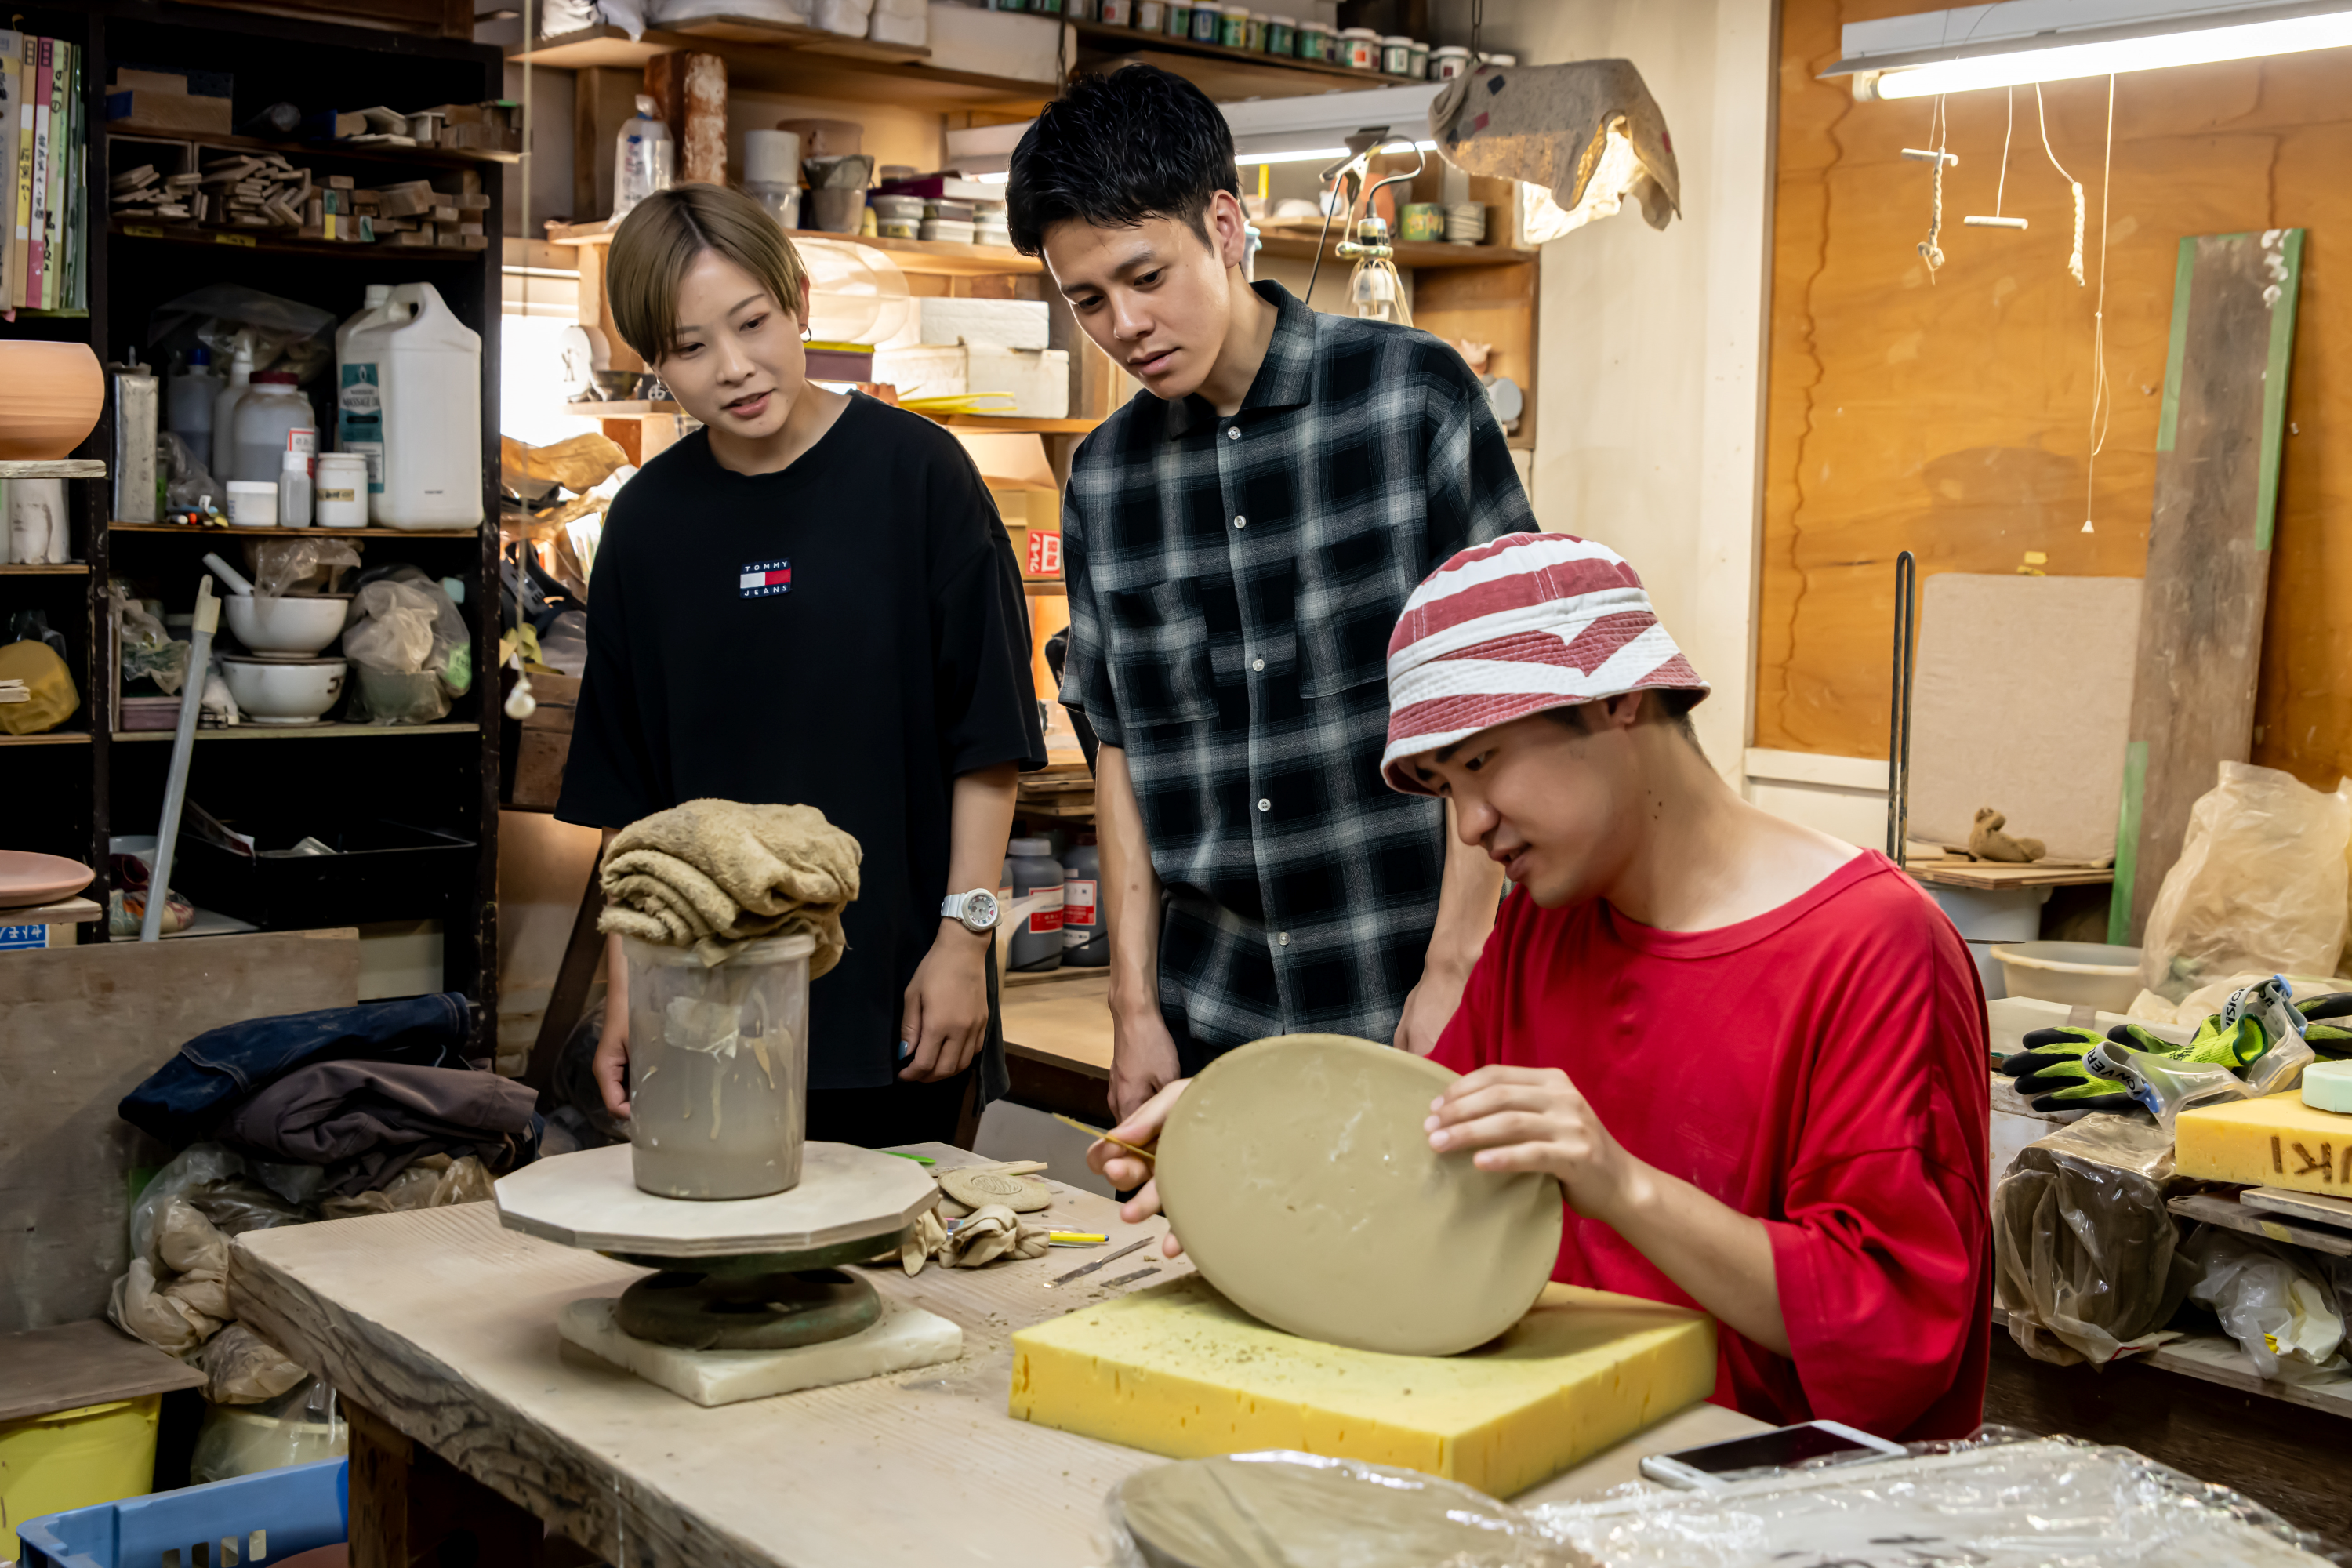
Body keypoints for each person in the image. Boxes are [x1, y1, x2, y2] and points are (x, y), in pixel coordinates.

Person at [1092, 532, 1993, 1440]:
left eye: (1481, 761)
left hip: (1751, 1493)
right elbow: (1431, 1166)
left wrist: (1619, 1183)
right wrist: (1240, 1141)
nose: (1473, 824)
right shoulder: (1544, 916)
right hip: (1534, 1442)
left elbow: (1894, 1336)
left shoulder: (1875, 945)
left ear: (1619, 697)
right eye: (1445, 786)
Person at [1006, 64, 1529, 1119]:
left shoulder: (1410, 401)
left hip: (1405, 991)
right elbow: (1121, 753)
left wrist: (1455, 970)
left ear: (1227, 225)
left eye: (1146, 276)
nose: (1125, 325)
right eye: (1089, 300)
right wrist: (1133, 1005)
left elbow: (1506, 698)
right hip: (1215, 1019)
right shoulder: (1105, 480)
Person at [556, 184, 1046, 1147]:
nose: (735, 368)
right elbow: (632, 795)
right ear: (657, 364)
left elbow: (987, 739)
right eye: (691, 347)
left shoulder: (921, 476)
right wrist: (629, 985)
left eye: (753, 323)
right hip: (703, 999)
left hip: (900, 994)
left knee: (901, 1273)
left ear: (799, 304)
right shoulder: (646, 522)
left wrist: (964, 941)